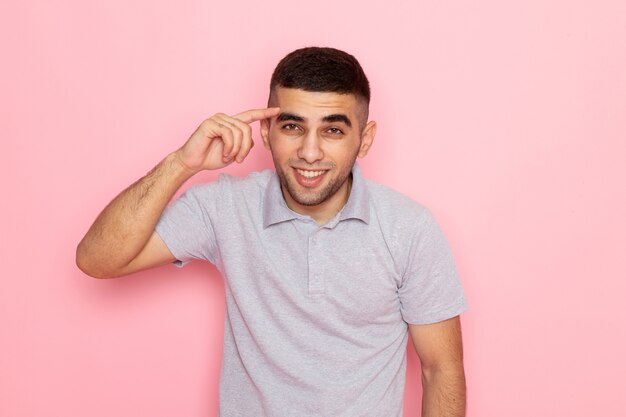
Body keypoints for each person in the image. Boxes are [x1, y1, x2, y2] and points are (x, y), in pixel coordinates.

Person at [76, 47, 468, 417]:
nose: (310, 152)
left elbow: (440, 371)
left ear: (364, 140)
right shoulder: (224, 207)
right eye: (293, 126)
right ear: (266, 132)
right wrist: (182, 163)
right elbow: (97, 260)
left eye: (332, 131)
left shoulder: (408, 228)